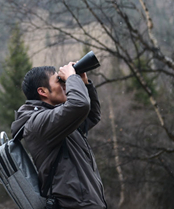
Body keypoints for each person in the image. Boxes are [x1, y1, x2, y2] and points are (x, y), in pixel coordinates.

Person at [11, 63, 107, 209]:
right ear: (43, 91)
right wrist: (71, 78)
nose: (64, 84)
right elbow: (80, 105)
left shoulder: (56, 120)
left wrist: (83, 83)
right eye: (59, 81)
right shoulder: (37, 124)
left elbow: (90, 116)